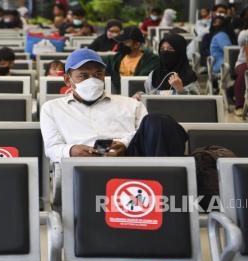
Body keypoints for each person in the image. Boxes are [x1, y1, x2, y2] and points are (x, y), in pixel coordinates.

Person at [40, 48, 188, 163]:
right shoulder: (52, 108)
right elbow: (52, 148)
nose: (92, 80)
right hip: (82, 164)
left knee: (159, 121)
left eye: (98, 74)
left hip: (129, 159)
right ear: (67, 80)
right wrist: (71, 150)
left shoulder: (130, 105)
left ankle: (166, 184)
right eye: (83, 76)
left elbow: (144, 135)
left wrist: (124, 144)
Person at [104, 26, 159, 94]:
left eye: (126, 42)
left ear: (137, 44)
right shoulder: (115, 59)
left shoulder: (151, 60)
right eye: (121, 41)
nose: (121, 45)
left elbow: (140, 83)